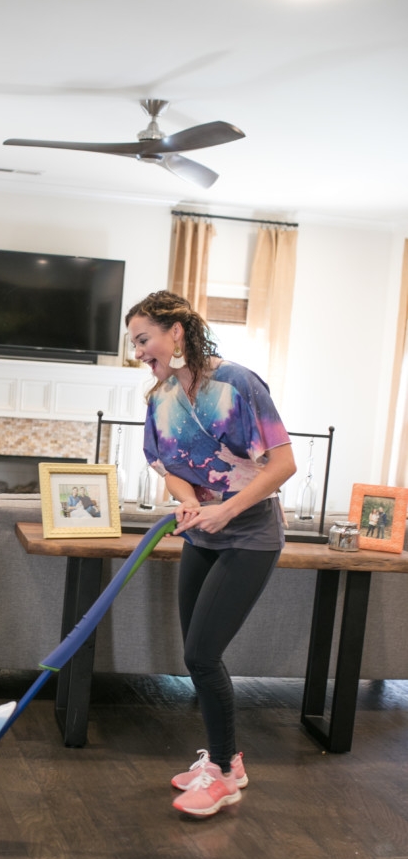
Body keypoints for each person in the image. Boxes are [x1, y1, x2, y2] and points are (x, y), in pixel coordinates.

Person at [127, 290, 296, 818]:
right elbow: (167, 465)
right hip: (203, 534)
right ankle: (229, 761)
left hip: (249, 535)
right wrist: (186, 504)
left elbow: (282, 464)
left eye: (142, 339)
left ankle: (222, 773)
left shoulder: (238, 384)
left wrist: (225, 510)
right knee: (196, 655)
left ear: (175, 332)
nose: (137, 353)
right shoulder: (160, 398)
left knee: (201, 654)